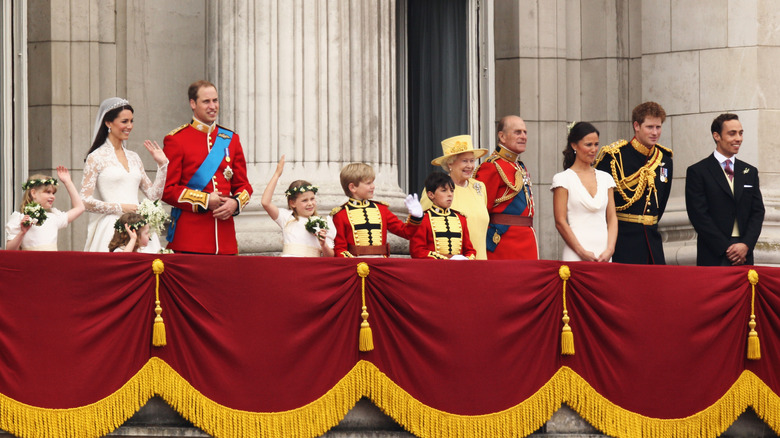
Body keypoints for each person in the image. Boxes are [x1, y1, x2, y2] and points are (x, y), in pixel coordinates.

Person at [162, 80, 252, 254]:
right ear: (193, 104)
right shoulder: (177, 139)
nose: (213, 106)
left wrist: (235, 203)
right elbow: (168, 190)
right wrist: (204, 200)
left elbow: (244, 186)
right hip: (190, 240)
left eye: (215, 100)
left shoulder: (231, 139)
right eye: (206, 101)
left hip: (225, 241)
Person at [80, 97, 168, 253]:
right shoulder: (96, 157)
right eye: (124, 121)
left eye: (131, 121)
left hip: (140, 227)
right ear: (108, 123)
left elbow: (153, 196)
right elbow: (85, 201)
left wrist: (162, 166)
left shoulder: (134, 157)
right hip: (113, 228)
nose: (129, 126)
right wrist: (120, 207)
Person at [595, 102, 673, 264]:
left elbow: (661, 204)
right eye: (649, 127)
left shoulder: (664, 160)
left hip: (652, 244)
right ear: (636, 126)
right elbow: (602, 204)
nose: (655, 132)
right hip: (623, 243)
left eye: (658, 127)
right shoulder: (615, 157)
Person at [685, 113, 764, 266]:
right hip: (714, 253)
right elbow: (698, 215)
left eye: (741, 133)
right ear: (717, 136)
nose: (738, 139)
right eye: (732, 133)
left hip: (744, 253)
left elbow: (757, 211)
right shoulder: (698, 171)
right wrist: (726, 248)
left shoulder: (750, 171)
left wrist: (746, 245)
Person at [473, 115, 537, 260]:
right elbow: (480, 212)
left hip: (526, 241)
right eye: (518, 132)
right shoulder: (491, 166)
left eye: (525, 132)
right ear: (502, 136)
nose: (523, 136)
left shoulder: (519, 166)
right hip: (504, 245)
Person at [551, 122, 617, 262]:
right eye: (588, 145)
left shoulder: (606, 178)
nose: (593, 149)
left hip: (604, 255)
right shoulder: (562, 179)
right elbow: (560, 221)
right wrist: (581, 252)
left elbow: (612, 218)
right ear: (574, 145)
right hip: (575, 254)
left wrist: (610, 250)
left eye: (596, 144)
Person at [331, 162, 423, 257]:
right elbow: (340, 249)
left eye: (372, 182)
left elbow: (406, 232)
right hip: (356, 266)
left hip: (381, 263)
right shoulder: (341, 214)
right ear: (352, 187)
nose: (373, 186)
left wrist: (416, 218)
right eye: (368, 183)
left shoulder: (381, 210)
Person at [421, 134, 489, 259]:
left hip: (480, 261)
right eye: (464, 161)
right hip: (449, 264)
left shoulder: (479, 187)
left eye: (472, 160)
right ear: (450, 164)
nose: (470, 166)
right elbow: (423, 230)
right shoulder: (435, 189)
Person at [261, 155, 336, 257]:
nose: (310, 203)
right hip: (290, 267)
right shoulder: (286, 218)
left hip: (311, 268)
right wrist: (277, 174)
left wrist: (323, 244)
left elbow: (330, 256)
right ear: (292, 203)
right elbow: (265, 202)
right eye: (304, 200)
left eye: (312, 199)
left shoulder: (324, 223)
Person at [6, 167, 85, 251]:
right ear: (33, 193)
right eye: (48, 192)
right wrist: (22, 232)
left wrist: (68, 182)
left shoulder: (54, 216)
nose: (52, 196)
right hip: (30, 262)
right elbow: (9, 249)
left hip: (51, 262)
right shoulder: (20, 218)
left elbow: (80, 207)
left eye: (53, 193)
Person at [411, 172, 476, 260]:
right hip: (433, 270)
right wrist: (448, 258)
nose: (450, 194)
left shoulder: (461, 219)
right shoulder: (423, 219)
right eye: (444, 190)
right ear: (431, 194)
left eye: (452, 190)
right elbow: (417, 251)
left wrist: (467, 259)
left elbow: (469, 250)